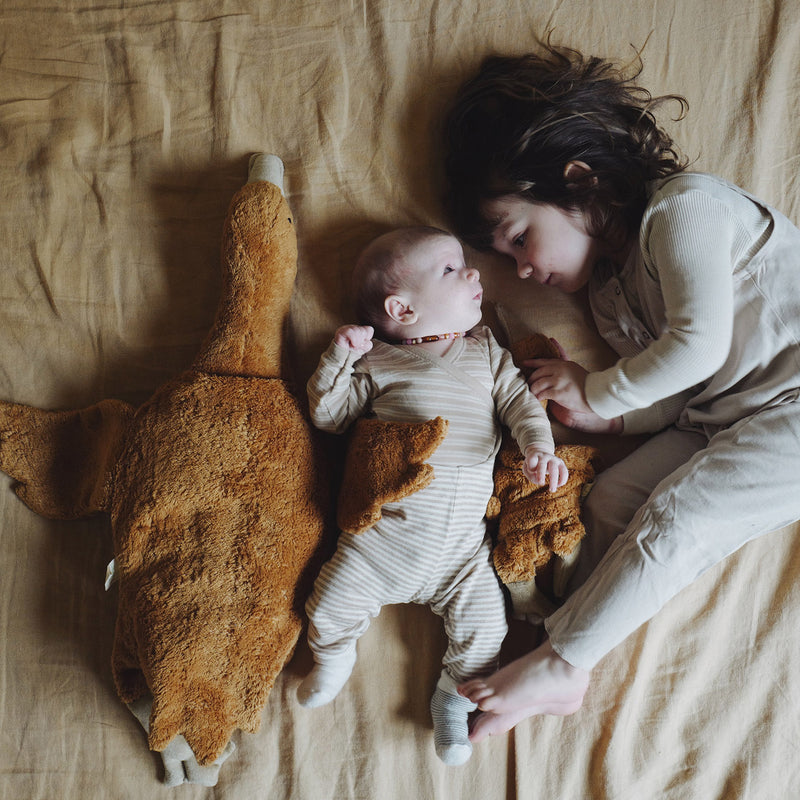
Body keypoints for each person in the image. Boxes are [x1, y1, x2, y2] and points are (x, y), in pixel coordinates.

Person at [442, 41, 800, 742]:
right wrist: (613, 419)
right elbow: (680, 390)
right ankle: (556, 638)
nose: (521, 267)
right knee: (608, 499)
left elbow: (698, 344)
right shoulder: (608, 297)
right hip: (717, 418)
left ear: (579, 182)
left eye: (519, 238)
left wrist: (602, 392)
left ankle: (565, 663)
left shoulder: (683, 211)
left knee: (683, 516)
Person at [298, 225, 568, 765]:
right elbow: (329, 417)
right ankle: (332, 660)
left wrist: (539, 447)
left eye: (465, 263)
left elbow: (520, 403)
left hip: (463, 555)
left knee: (488, 630)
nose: (473, 273)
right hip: (381, 543)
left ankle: (451, 701)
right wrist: (337, 361)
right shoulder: (379, 362)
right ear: (401, 309)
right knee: (327, 605)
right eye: (450, 269)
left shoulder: (486, 351)